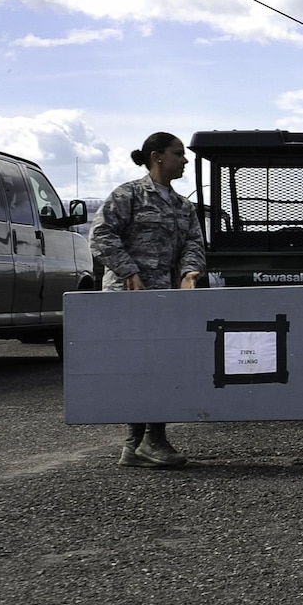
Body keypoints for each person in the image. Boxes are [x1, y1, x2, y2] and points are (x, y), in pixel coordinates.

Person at [90, 132, 207, 468]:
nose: (185, 160)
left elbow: (194, 244)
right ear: (157, 156)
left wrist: (189, 273)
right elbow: (100, 234)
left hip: (164, 299)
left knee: (161, 366)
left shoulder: (182, 205)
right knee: (136, 368)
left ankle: (141, 444)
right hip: (129, 299)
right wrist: (128, 271)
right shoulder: (128, 194)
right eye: (179, 154)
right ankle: (145, 442)